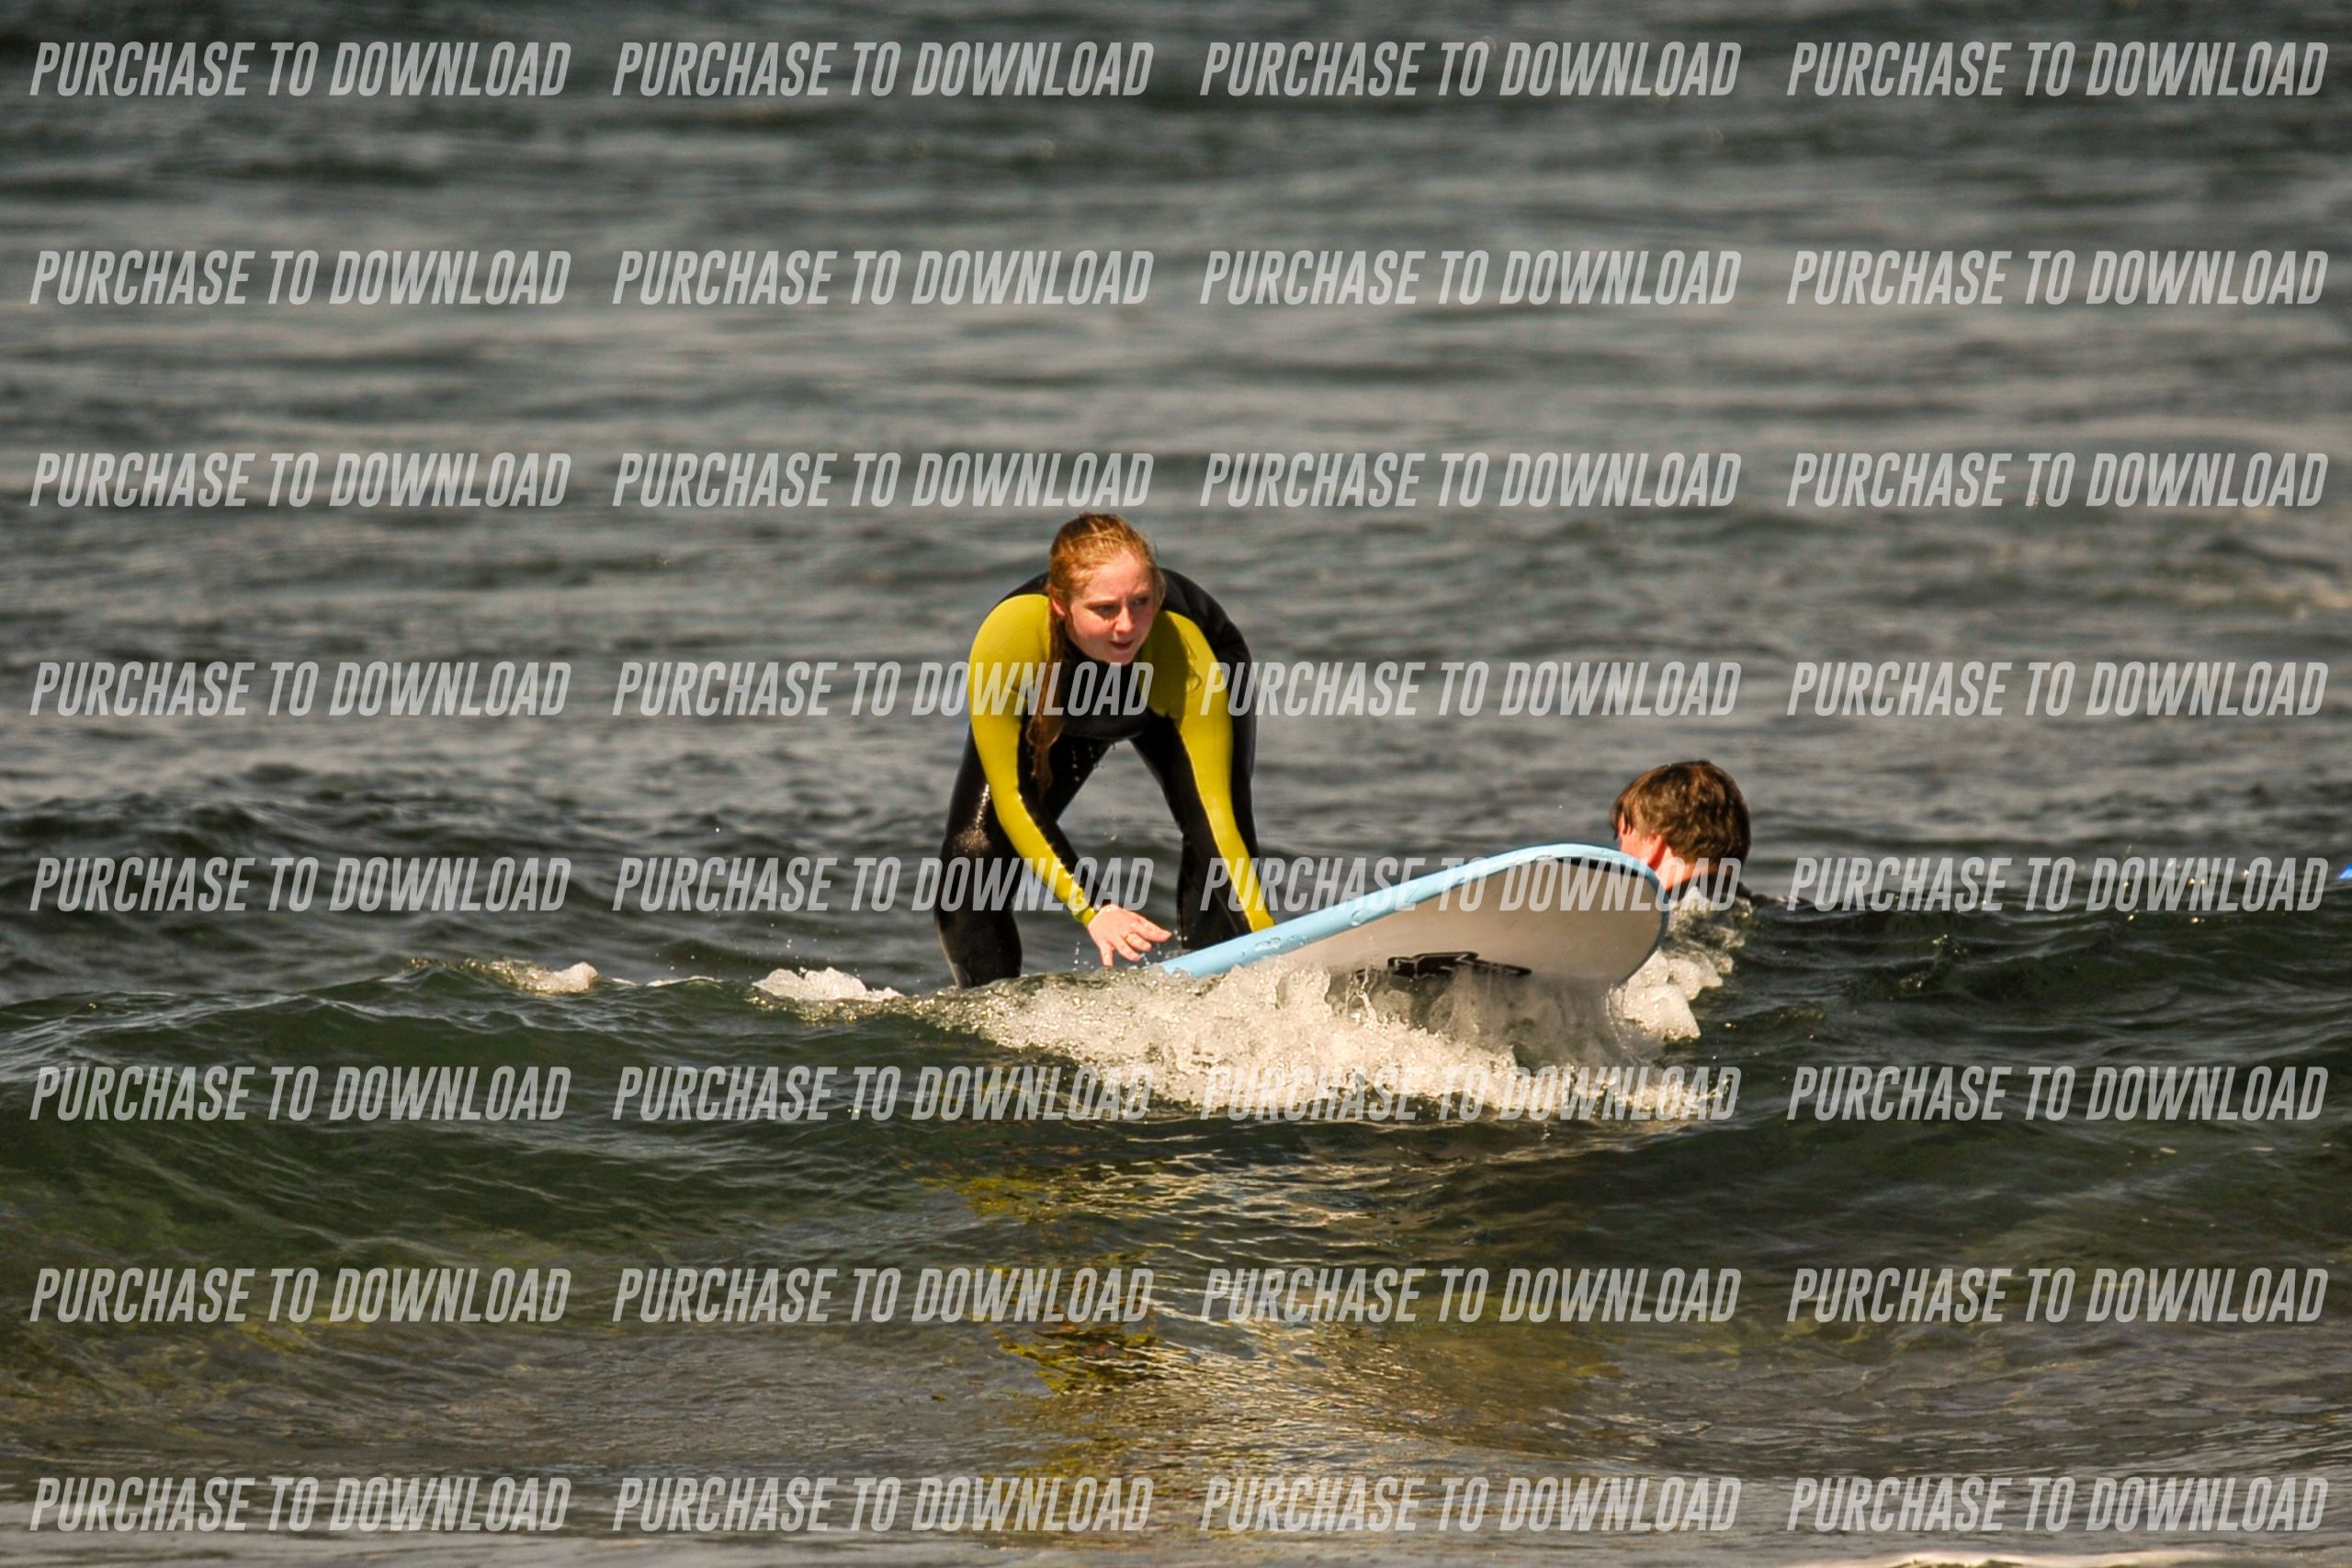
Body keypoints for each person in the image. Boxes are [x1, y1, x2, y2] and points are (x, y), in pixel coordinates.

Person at [936, 513, 1272, 986]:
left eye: (1142, 601)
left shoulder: (1184, 648)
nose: (1127, 626)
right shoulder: (1008, 641)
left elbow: (1217, 822)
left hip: (1170, 693)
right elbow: (1013, 797)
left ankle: (1225, 987)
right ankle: (990, 1008)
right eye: (1105, 609)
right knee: (970, 863)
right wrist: (1094, 909)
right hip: (1058, 706)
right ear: (1060, 604)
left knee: (1211, 849)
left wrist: (1274, 949)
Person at [1611, 760, 1759, 906]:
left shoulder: (1654, 913)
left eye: (1622, 838)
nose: (1621, 852)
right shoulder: (1755, 907)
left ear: (1651, 843)